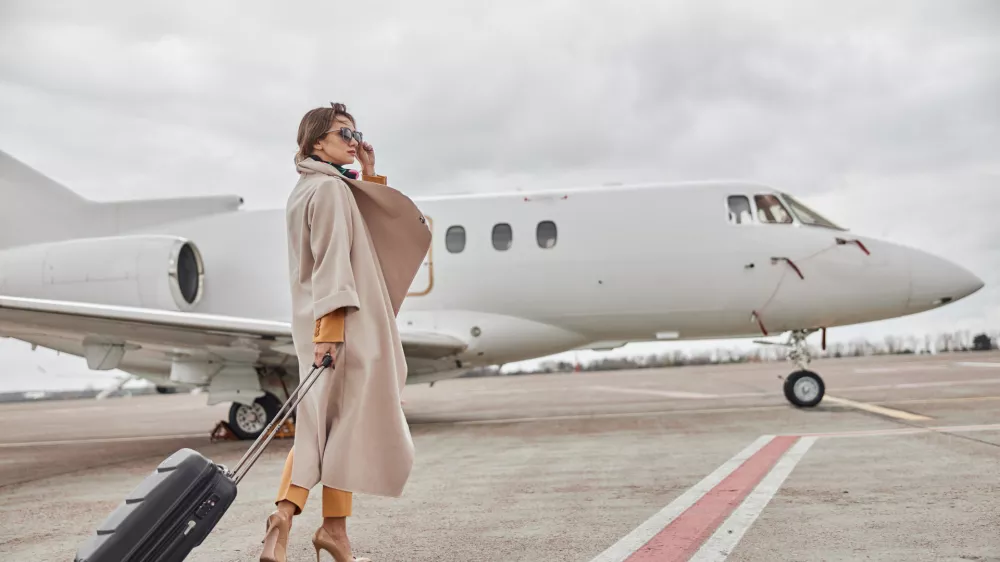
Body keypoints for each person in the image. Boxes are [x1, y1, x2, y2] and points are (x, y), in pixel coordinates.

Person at [259, 103, 431, 562]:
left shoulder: (307, 188)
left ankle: (311, 524)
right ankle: (307, 521)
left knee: (328, 426)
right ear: (317, 141)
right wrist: (332, 330)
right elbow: (336, 257)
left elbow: (358, 239)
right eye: (343, 132)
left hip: (319, 322)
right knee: (342, 425)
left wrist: (370, 176)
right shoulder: (331, 191)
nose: (353, 140)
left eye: (357, 133)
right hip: (343, 326)